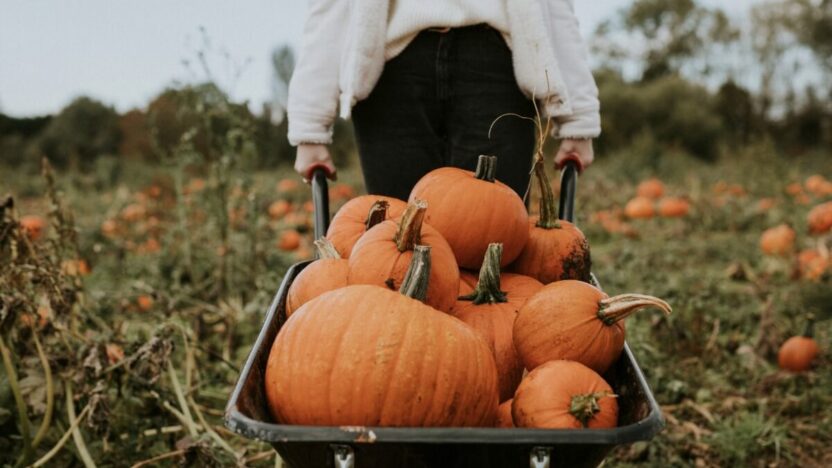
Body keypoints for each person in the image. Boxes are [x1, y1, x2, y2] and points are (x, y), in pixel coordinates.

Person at [288, 0, 599, 200]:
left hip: (496, 62)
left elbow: (556, 9)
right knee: (396, 239)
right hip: (391, 69)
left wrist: (579, 118)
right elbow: (330, 9)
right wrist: (309, 125)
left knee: (495, 241)